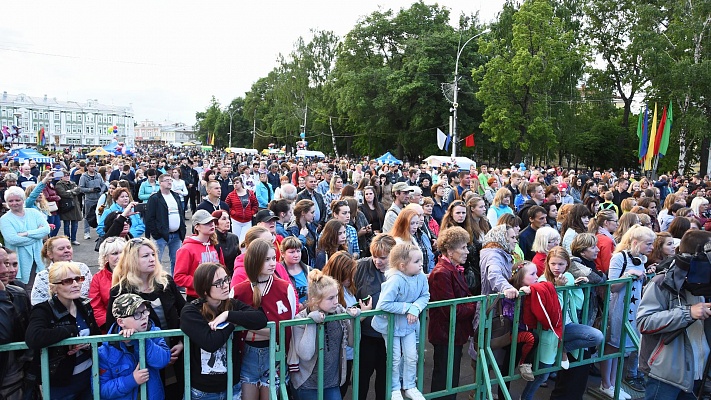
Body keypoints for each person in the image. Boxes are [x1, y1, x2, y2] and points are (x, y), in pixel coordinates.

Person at [107, 237, 185, 398]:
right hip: (142, 363)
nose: (152, 259)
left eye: (153, 254)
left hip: (176, 355)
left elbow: (185, 312)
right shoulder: (120, 291)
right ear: (132, 260)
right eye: (145, 256)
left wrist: (182, 342)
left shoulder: (165, 282)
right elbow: (113, 329)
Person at [637, 230, 711, 398]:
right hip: (666, 375)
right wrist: (688, 313)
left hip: (697, 372)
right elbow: (644, 322)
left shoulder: (704, 283)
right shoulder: (661, 283)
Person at [180, 262, 268, 400]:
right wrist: (232, 322)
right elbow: (210, 343)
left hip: (232, 387)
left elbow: (261, 319)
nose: (225, 285)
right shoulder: (191, 311)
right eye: (218, 283)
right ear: (204, 289)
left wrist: (228, 315)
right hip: (203, 392)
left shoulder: (231, 305)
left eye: (226, 279)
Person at [25, 262, 102, 400]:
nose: (75, 284)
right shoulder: (43, 310)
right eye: (67, 281)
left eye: (78, 279)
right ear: (54, 287)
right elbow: (33, 338)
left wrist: (87, 344)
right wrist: (71, 332)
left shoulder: (84, 304)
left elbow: (97, 337)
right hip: (60, 384)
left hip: (89, 378)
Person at [233, 238, 297, 400]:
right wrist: (269, 330)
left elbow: (287, 328)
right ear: (254, 260)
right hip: (247, 357)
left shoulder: (285, 288)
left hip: (274, 356)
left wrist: (251, 328)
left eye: (273, 258)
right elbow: (234, 329)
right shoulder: (238, 291)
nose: (272, 263)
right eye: (266, 259)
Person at [601, 225, 655, 397]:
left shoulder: (642, 259)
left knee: (622, 349)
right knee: (612, 346)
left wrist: (645, 274)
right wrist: (628, 275)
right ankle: (606, 383)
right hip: (618, 308)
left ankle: (613, 384)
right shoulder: (618, 258)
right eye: (648, 243)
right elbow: (613, 287)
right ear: (635, 242)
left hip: (633, 309)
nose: (652, 247)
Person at [289, 269, 360, 400]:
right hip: (307, 384)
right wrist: (311, 322)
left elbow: (353, 342)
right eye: (331, 298)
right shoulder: (300, 319)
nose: (336, 301)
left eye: (337, 296)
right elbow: (306, 354)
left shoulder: (339, 311)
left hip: (332, 383)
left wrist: (353, 320)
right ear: (316, 300)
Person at [371, 243, 430, 400]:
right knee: (394, 357)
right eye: (416, 262)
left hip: (408, 325)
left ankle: (410, 385)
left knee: (412, 355)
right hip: (390, 326)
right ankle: (394, 387)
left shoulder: (421, 277)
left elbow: (425, 295)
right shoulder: (395, 280)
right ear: (403, 266)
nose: (421, 265)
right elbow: (383, 304)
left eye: (421, 261)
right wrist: (408, 307)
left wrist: (416, 308)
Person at [428, 227, 476, 400]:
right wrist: (474, 305)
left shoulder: (453, 269)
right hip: (445, 334)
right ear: (449, 250)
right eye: (463, 247)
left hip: (453, 333)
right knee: (444, 381)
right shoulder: (442, 272)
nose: (467, 251)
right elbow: (451, 310)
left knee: (450, 380)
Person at [98, 293, 172, 400]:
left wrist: (141, 339)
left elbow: (163, 361)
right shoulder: (105, 351)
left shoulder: (154, 332)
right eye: (137, 314)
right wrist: (132, 380)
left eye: (145, 311)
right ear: (121, 321)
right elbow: (101, 390)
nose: (144, 317)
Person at [354, 234, 396, 400]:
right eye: (374, 256)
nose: (378, 261)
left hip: (390, 335)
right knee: (362, 378)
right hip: (366, 335)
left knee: (384, 380)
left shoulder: (400, 268)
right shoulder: (361, 266)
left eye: (383, 258)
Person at [0, 186, 50, 287]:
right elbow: (13, 239)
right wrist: (37, 235)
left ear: (23, 200)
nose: (14, 203)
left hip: (38, 257)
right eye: (10, 201)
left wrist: (26, 234)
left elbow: (46, 230)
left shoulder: (34, 213)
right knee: (24, 288)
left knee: (42, 285)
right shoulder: (4, 219)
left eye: (17, 200)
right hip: (19, 260)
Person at [175, 210, 225, 301]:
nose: (211, 225)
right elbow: (179, 277)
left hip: (217, 295)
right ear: (197, 227)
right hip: (197, 297)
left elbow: (223, 268)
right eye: (206, 223)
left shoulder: (216, 246)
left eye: (212, 221)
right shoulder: (187, 249)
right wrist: (201, 284)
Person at [505, 261, 540, 382]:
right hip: (512, 333)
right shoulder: (511, 293)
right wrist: (521, 296)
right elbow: (510, 316)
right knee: (507, 369)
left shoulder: (534, 289)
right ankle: (524, 364)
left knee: (509, 367)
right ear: (520, 278)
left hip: (524, 330)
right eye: (533, 274)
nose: (537, 277)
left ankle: (524, 364)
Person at [145, 173, 186, 274]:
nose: (169, 182)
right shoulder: (155, 198)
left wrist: (182, 229)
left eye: (170, 180)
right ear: (160, 183)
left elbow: (181, 213)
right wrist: (156, 234)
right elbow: (149, 218)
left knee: (176, 261)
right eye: (167, 180)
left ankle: (176, 285)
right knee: (155, 261)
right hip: (161, 236)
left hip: (176, 235)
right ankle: (155, 284)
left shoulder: (175, 196)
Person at [90, 237, 126, 332]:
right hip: (110, 328)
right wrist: (114, 326)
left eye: (122, 252)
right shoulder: (97, 278)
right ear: (105, 257)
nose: (120, 256)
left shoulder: (136, 274)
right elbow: (96, 307)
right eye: (114, 253)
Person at [225, 176, 259, 243]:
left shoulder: (250, 193)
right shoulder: (231, 195)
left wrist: (251, 212)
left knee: (245, 240)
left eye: (237, 183)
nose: (235, 184)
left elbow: (255, 204)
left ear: (241, 183)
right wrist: (232, 212)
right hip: (236, 220)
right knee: (236, 239)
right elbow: (226, 206)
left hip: (247, 220)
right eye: (234, 183)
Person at [78, 161, 106, 240]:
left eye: (94, 166)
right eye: (91, 166)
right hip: (89, 199)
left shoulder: (98, 175)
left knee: (100, 214)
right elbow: (81, 188)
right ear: (87, 167)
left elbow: (103, 185)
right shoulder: (83, 177)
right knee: (87, 216)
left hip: (99, 198)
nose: (93, 168)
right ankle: (86, 232)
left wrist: (101, 191)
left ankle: (100, 230)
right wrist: (91, 189)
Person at [287, 199, 319, 267]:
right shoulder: (292, 229)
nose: (314, 215)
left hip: (312, 263)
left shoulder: (311, 226)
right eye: (312, 212)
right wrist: (302, 236)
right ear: (303, 213)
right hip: (301, 265)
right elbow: (293, 249)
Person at [54, 170, 83, 245]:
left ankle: (74, 239)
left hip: (75, 206)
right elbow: (63, 194)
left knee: (75, 224)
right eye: (65, 175)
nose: (67, 177)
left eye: (68, 175)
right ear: (61, 177)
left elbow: (79, 190)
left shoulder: (72, 183)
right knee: (66, 224)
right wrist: (73, 192)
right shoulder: (59, 184)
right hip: (66, 206)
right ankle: (67, 239)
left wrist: (70, 192)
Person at [282, 236, 311, 306]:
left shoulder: (309, 270)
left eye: (298, 251)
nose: (296, 255)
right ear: (283, 254)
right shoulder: (278, 273)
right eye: (292, 252)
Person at [590, 209, 618, 274]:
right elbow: (607, 266)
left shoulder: (596, 235)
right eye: (616, 221)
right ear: (606, 222)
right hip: (604, 278)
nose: (618, 224)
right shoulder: (606, 241)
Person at [212, 209, 239, 275]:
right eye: (224, 219)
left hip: (233, 273)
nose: (228, 221)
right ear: (215, 223)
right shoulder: (212, 239)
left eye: (228, 218)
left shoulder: (234, 237)